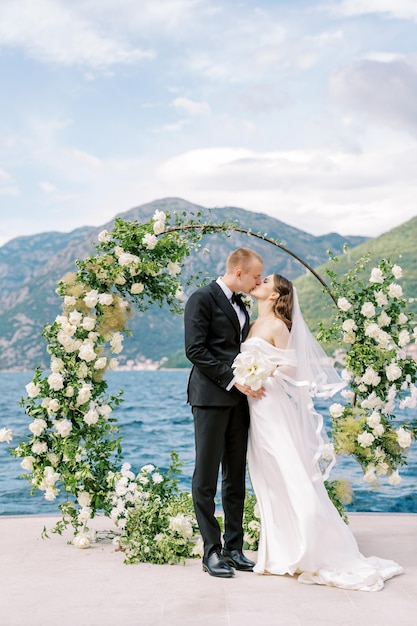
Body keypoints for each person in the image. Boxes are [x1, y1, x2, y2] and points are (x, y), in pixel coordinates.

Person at [241, 273, 403, 591]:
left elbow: (293, 366)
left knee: (289, 472)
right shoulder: (252, 324)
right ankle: (279, 553)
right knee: (268, 476)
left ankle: (310, 547)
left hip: (271, 406)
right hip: (255, 410)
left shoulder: (276, 325)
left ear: (275, 296)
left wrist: (265, 374)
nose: (259, 283)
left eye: (266, 282)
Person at [184, 247, 264, 578]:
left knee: (235, 477)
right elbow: (195, 350)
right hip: (210, 399)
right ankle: (210, 551)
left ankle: (234, 547)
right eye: (257, 275)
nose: (259, 280)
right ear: (240, 272)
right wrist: (233, 379)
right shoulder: (201, 298)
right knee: (206, 477)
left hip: (240, 401)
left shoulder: (242, 304)